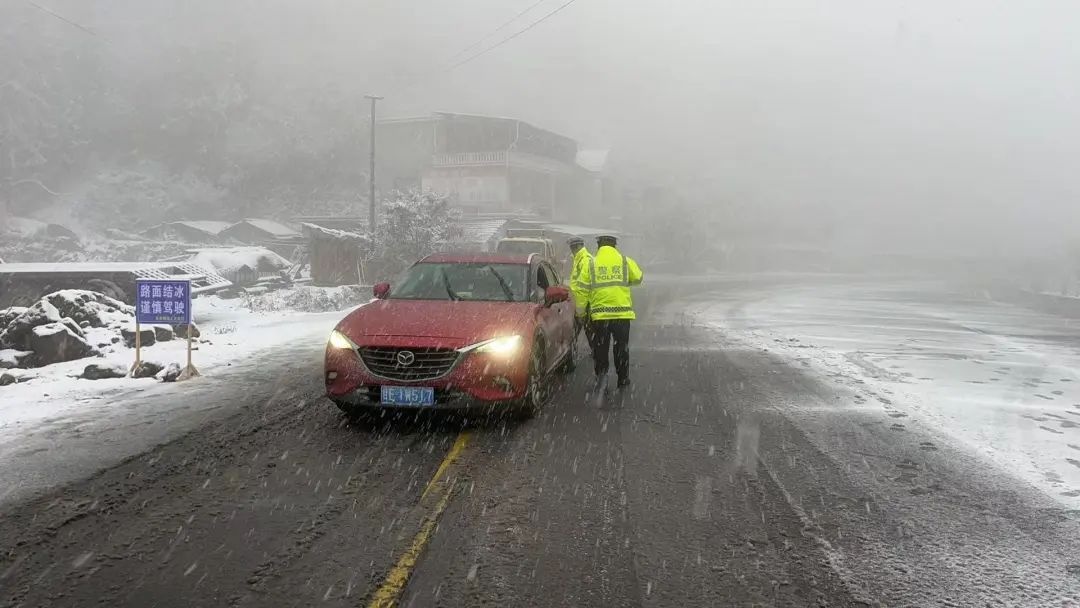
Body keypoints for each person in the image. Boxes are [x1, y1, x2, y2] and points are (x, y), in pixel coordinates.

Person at [581, 234, 643, 388]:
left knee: (600, 349)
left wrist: (582, 312)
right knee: (621, 347)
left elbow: (582, 289)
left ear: (599, 246)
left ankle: (602, 379)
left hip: (600, 316)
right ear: (615, 246)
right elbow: (638, 278)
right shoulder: (624, 261)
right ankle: (623, 379)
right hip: (621, 315)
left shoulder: (591, 263)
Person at [567, 236, 593, 342]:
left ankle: (598, 356)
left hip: (585, 306)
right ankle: (597, 354)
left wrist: (580, 312)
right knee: (588, 334)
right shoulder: (579, 259)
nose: (571, 250)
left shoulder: (585, 260)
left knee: (588, 333)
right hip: (581, 304)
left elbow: (583, 288)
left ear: (577, 247)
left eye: (572, 247)